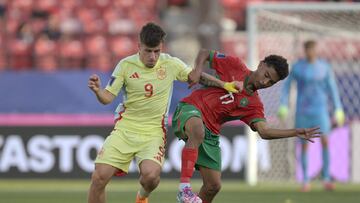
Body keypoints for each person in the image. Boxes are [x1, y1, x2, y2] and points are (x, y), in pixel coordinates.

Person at [87, 22, 238, 203]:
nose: (153, 56)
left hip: (153, 133)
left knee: (150, 178)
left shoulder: (170, 64)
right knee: (98, 178)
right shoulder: (125, 66)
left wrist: (224, 85)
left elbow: (196, 76)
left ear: (162, 48)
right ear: (139, 47)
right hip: (125, 129)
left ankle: (142, 197)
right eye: (148, 51)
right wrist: (97, 91)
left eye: (156, 51)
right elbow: (107, 98)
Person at [172, 49, 322, 203]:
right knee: (198, 131)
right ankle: (184, 189)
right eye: (266, 76)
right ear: (261, 64)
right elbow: (205, 53)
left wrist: (295, 132)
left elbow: (264, 132)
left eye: (271, 82)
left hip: (211, 131)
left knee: (213, 186)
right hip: (190, 108)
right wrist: (197, 69)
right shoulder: (235, 65)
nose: (265, 82)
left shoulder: (254, 105)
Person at [277, 40, 345, 192]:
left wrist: (338, 108)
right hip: (303, 111)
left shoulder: (324, 68)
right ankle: (306, 180)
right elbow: (287, 86)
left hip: (320, 111)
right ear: (305, 50)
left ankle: (326, 178)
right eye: (308, 50)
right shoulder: (298, 67)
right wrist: (283, 104)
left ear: (316, 50)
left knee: (325, 141)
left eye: (312, 49)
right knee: (304, 144)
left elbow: (332, 88)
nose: (310, 52)